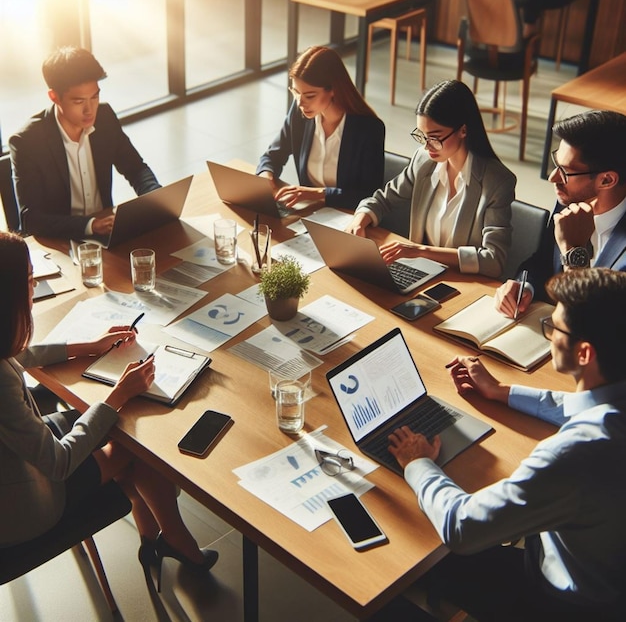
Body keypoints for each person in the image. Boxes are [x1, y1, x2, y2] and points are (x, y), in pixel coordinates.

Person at [388, 267, 626, 621]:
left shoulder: (576, 452)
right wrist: (502, 392)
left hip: (562, 604)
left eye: (554, 327)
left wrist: (417, 463)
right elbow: (584, 407)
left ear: (584, 353)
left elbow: (462, 528)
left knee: (410, 552)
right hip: (607, 566)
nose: (549, 335)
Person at [0, 232, 217, 586]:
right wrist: (118, 394)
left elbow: (15, 353)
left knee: (113, 427)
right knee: (134, 441)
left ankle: (156, 538)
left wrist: (89, 345)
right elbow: (59, 463)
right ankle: (174, 540)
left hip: (15, 456)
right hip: (27, 502)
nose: (34, 285)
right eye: (28, 279)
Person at [346, 79, 515, 280]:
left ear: (463, 130)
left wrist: (419, 251)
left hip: (461, 284)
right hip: (419, 275)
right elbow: (382, 199)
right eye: (422, 136)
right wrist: (359, 221)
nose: (427, 147)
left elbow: (493, 260)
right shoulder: (423, 161)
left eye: (434, 138)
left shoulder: (496, 182)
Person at [9, 46, 161, 239]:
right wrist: (91, 225)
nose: (90, 110)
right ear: (54, 97)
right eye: (79, 102)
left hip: (107, 235)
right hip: (62, 241)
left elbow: (136, 169)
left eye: (95, 97)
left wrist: (157, 199)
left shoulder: (105, 117)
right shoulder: (27, 142)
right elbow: (31, 219)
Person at [495, 110, 626, 317]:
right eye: (556, 164)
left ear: (607, 180)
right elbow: (542, 262)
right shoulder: (569, 200)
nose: (553, 178)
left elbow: (597, 319)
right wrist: (524, 286)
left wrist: (573, 253)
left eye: (566, 171)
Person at [256, 45, 385, 211]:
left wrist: (317, 194)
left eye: (309, 95)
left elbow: (369, 195)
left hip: (347, 217)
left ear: (332, 89)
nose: (300, 103)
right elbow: (272, 156)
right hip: (310, 213)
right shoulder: (299, 114)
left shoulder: (369, 129)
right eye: (295, 92)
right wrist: (266, 176)